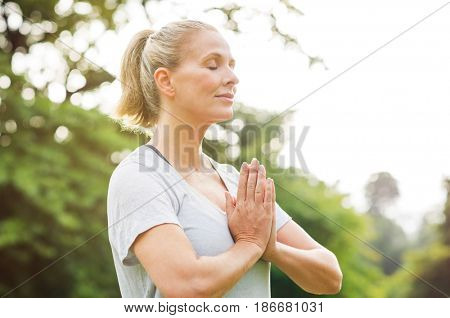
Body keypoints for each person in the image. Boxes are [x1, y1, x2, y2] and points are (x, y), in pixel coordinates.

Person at [107, 20, 342, 298]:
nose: (232, 77)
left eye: (232, 64)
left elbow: (330, 276)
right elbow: (188, 287)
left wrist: (273, 249)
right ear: (166, 81)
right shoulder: (139, 177)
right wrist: (250, 245)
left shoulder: (235, 181)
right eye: (212, 64)